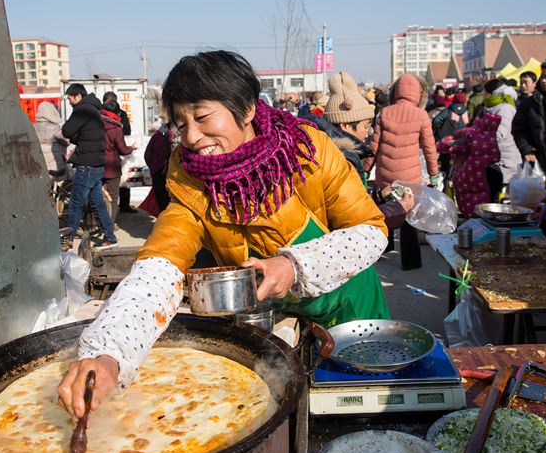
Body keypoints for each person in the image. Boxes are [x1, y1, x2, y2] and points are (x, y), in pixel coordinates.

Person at [58, 51, 390, 416]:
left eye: (202, 117)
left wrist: (294, 265)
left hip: (351, 304)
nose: (192, 137)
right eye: (180, 124)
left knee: (359, 402)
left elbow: (370, 231)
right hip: (273, 314)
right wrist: (109, 353)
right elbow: (159, 268)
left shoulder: (307, 150)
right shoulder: (189, 181)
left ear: (246, 109)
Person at [370, 74, 440, 270]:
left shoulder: (384, 113)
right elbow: (429, 149)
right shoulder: (421, 115)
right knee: (409, 218)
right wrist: (434, 175)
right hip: (410, 178)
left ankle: (383, 249)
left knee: (385, 211)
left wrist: (366, 169)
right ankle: (411, 261)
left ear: (395, 92)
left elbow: (374, 147)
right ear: (417, 93)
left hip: (385, 174)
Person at [60, 84, 118, 248]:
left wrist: (75, 136)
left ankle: (67, 240)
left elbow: (67, 130)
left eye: (70, 98)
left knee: (75, 202)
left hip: (86, 164)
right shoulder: (95, 110)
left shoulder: (82, 109)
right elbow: (85, 134)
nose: (70, 102)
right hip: (97, 163)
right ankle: (110, 237)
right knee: (97, 203)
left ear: (78, 96)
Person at [437, 112, 502, 218]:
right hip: (483, 173)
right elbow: (495, 157)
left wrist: (446, 146)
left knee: (470, 201)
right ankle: (480, 220)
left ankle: (472, 220)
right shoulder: (490, 136)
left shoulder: (471, 134)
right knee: (484, 200)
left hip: (468, 176)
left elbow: (452, 144)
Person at [101, 98, 136, 227]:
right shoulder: (116, 128)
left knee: (97, 195)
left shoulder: (96, 123)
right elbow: (123, 150)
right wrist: (131, 148)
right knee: (113, 196)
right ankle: (109, 223)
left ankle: (96, 221)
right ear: (117, 113)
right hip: (112, 167)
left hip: (97, 165)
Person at [484, 81, 520, 185]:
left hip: (505, 156)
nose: (483, 95)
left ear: (493, 93)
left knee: (504, 190)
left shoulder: (505, 108)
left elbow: (501, 131)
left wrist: (482, 142)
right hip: (493, 154)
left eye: (485, 92)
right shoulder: (490, 107)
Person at [33, 101, 70, 180]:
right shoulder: (54, 127)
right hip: (56, 165)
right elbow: (66, 142)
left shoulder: (33, 127)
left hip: (39, 165)